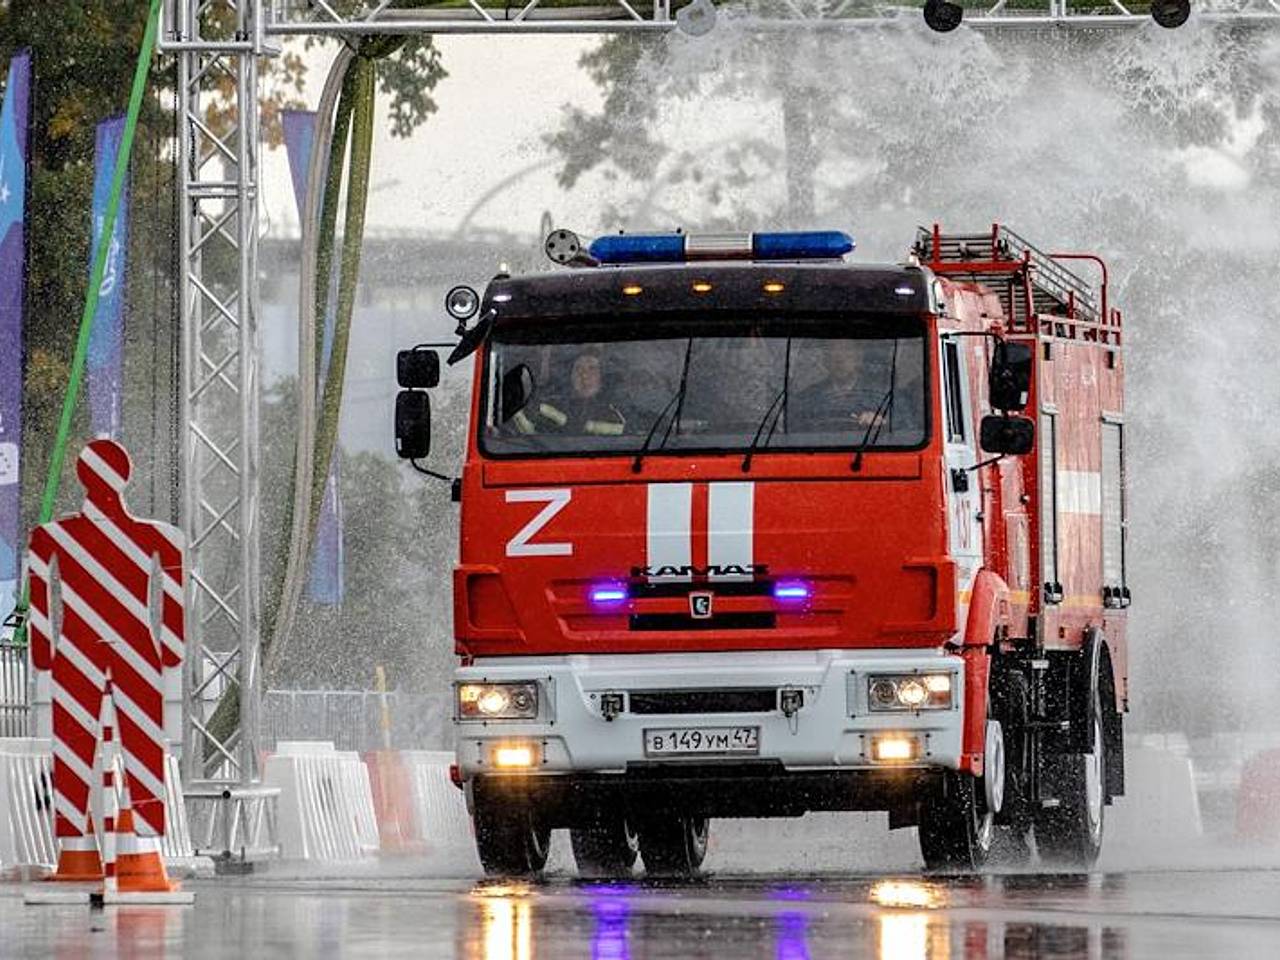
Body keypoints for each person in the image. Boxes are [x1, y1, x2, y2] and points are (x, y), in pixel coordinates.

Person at [512, 347, 628, 438]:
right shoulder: (549, 406)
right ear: (570, 376)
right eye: (578, 368)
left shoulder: (615, 412)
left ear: (602, 376)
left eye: (592, 368)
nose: (584, 374)